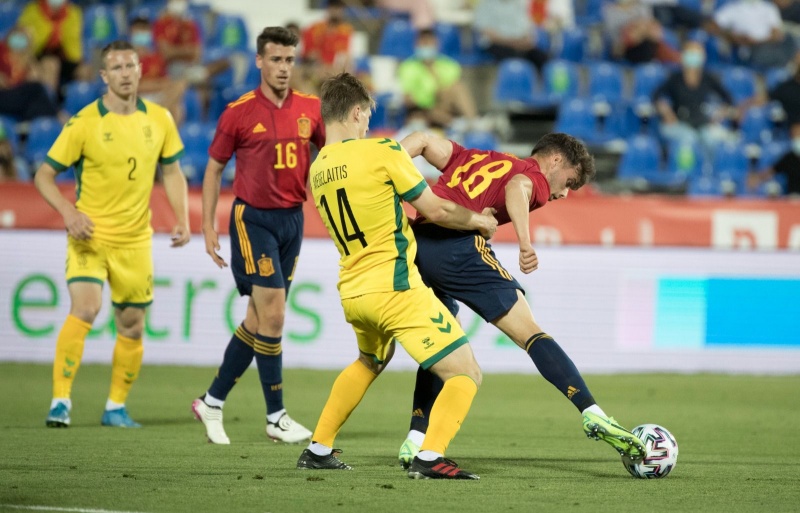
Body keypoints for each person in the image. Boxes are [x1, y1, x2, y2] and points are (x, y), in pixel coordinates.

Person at [394, 130, 647, 468]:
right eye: (569, 182)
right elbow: (518, 187)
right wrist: (525, 243)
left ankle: (415, 439)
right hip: (457, 250)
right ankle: (593, 412)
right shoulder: (533, 176)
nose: (564, 194)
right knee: (530, 332)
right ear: (555, 160)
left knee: (442, 342)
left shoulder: (475, 156)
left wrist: (383, 164)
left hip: (416, 245)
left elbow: (423, 140)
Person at [295, 72, 497, 480]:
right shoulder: (382, 150)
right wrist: (479, 220)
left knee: (371, 359)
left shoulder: (317, 169)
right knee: (465, 372)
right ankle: (429, 456)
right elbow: (436, 209)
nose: (369, 123)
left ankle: (318, 447)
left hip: (353, 289)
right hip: (395, 287)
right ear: (355, 112)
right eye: (367, 115)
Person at [36, 40, 190, 428]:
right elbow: (44, 175)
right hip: (90, 235)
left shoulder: (160, 119)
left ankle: (115, 407)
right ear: (104, 77)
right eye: (117, 68)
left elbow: (171, 171)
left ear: (140, 70)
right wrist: (68, 212)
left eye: (131, 66)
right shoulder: (85, 122)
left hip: (136, 239)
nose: (125, 73)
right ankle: (60, 402)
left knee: (132, 325)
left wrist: (182, 218)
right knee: (86, 308)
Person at [190, 27, 324, 445]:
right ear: (259, 62)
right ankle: (276, 415)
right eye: (276, 60)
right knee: (276, 316)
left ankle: (212, 401)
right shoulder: (239, 112)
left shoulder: (310, 108)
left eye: (289, 60)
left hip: (293, 220)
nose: (284, 68)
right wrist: (209, 225)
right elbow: (213, 169)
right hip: (254, 221)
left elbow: (332, 150)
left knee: (258, 318)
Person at [652, 40, 737, 156]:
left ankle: (708, 171)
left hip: (702, 123)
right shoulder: (675, 79)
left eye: (697, 54)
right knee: (688, 139)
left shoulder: (707, 78)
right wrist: (666, 111)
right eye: (690, 53)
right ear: (683, 55)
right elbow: (656, 95)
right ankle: (685, 172)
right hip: (679, 123)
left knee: (711, 140)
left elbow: (728, 98)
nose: (693, 57)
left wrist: (720, 113)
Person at [397, 28, 478, 130]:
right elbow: (407, 98)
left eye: (429, 43)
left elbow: (446, 91)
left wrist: (431, 70)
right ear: (416, 45)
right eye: (423, 43)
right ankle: (454, 124)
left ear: (437, 44)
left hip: (443, 105)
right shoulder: (407, 67)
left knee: (458, 88)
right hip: (421, 109)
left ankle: (473, 123)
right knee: (423, 115)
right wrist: (426, 102)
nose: (426, 47)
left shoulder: (450, 65)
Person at [18, 0, 84, 97]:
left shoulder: (74, 12)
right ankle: (49, 104)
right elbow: (25, 40)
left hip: (65, 55)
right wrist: (50, 24)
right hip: (38, 54)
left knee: (85, 72)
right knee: (51, 65)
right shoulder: (32, 11)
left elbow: (74, 43)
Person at [129, 16, 187, 125]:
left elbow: (167, 81)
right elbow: (133, 87)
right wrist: (158, 85)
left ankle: (166, 131)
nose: (142, 32)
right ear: (131, 32)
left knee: (180, 89)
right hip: (137, 98)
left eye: (145, 29)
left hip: (158, 97)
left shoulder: (156, 57)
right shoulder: (127, 57)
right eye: (138, 29)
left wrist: (158, 85)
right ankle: (160, 116)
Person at [709, 0, 798, 69]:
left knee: (791, 39)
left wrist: (758, 41)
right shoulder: (734, 8)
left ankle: (789, 64)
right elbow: (712, 26)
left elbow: (776, 34)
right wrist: (733, 37)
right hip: (749, 48)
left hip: (767, 44)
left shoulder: (768, 7)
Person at [0, 26, 60, 122]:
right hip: (3, 95)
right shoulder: (1, 50)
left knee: (37, 101)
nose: (18, 40)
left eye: (22, 37)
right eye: (16, 36)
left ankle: (35, 124)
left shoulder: (28, 61)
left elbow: (32, 81)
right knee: (36, 88)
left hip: (17, 99)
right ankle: (57, 115)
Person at [473, 0, 549, 71]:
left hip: (519, 44)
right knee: (517, 58)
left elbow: (527, 29)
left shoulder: (519, 3)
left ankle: (540, 84)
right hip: (496, 44)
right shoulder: (486, 4)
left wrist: (527, 40)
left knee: (541, 57)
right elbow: (488, 34)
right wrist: (513, 43)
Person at [602, 0, 679, 64]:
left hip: (647, 43)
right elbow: (615, 42)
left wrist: (642, 30)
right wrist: (635, 31)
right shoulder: (610, 11)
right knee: (635, 34)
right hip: (624, 48)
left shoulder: (642, 7)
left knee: (654, 38)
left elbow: (652, 28)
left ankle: (674, 58)